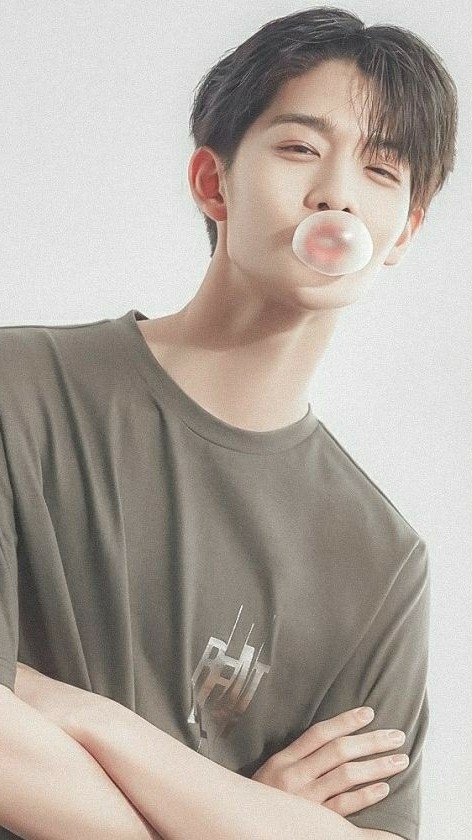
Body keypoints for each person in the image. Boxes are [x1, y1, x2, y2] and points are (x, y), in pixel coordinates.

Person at [0, 6, 457, 840]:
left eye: (381, 169)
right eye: (301, 148)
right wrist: (243, 815)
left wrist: (89, 719)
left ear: (404, 233)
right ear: (214, 182)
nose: (337, 194)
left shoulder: (381, 562)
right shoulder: (16, 389)